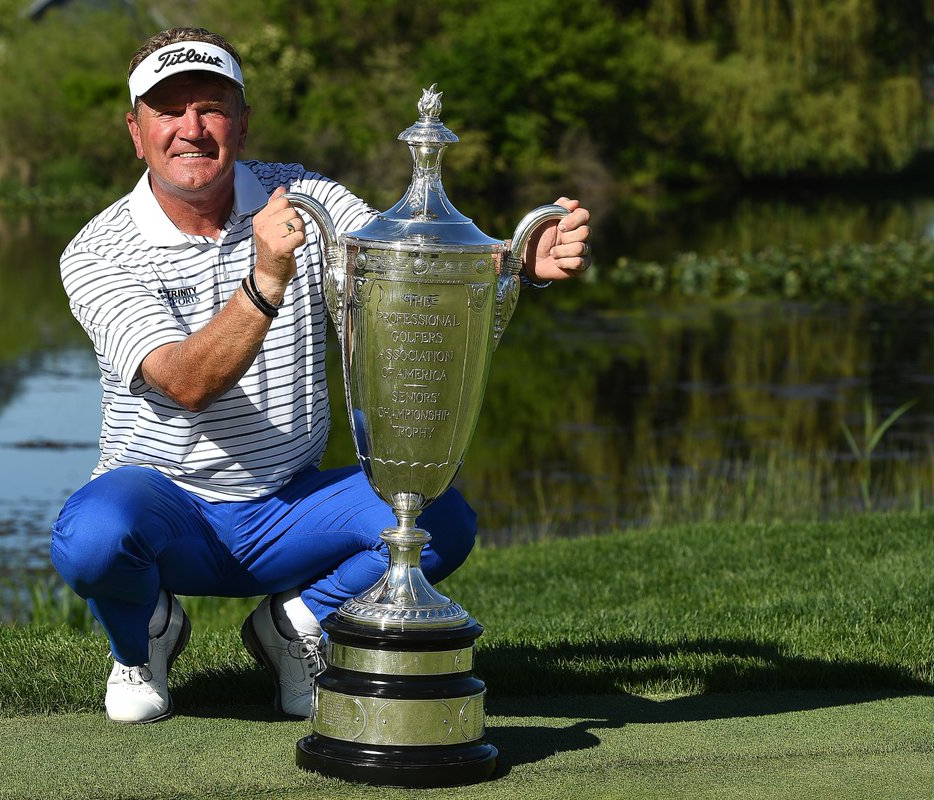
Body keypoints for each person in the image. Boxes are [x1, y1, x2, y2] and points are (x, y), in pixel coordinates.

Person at [51, 26, 593, 724]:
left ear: (242, 124)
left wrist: (511, 263)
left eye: (211, 106)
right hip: (167, 512)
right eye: (168, 109)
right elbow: (185, 383)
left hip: (290, 507)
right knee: (93, 537)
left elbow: (407, 275)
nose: (192, 128)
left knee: (440, 522)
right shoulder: (98, 250)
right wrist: (266, 278)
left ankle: (295, 627)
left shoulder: (304, 194)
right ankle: (143, 639)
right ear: (136, 131)